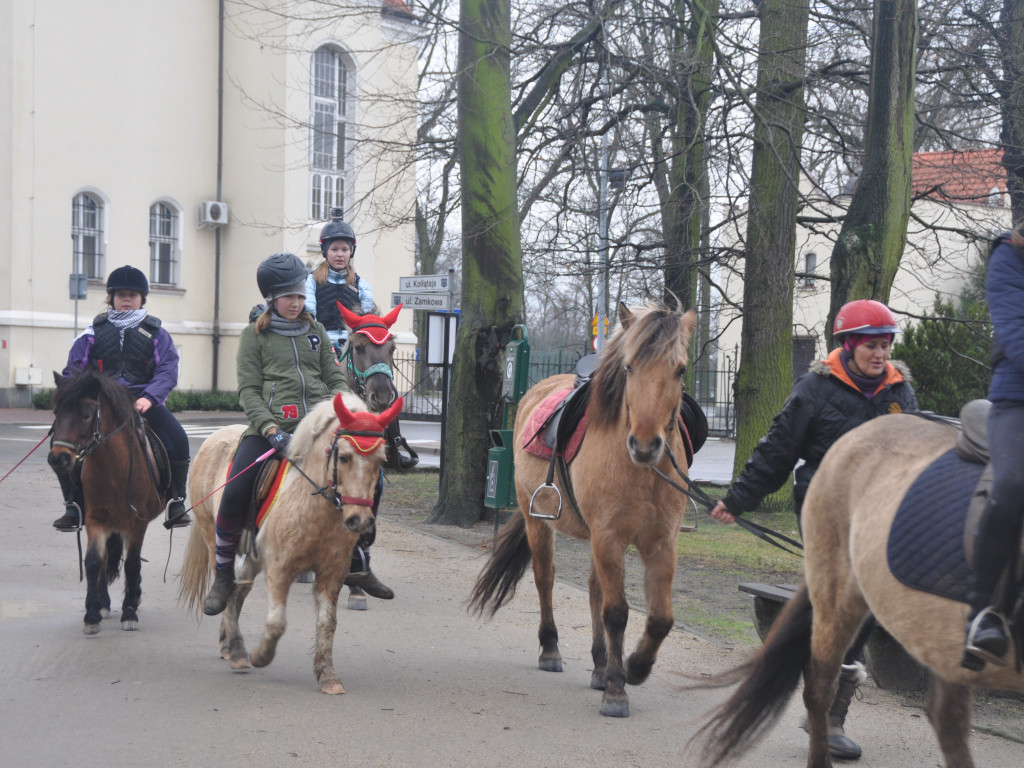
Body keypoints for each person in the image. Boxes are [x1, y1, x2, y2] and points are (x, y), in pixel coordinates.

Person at [710, 299, 919, 761]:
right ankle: (829, 713)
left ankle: (828, 710)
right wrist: (739, 499)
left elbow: (912, 454)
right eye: (870, 346)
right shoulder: (815, 389)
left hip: (879, 511)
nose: (880, 354)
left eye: (885, 345)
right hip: (824, 508)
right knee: (849, 598)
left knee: (863, 604)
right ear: (848, 345)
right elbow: (778, 450)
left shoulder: (899, 391)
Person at [202, 252, 393, 616]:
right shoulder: (253, 336)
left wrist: (347, 409)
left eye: (300, 296)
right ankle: (223, 573)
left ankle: (358, 559)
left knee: (373, 476)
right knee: (235, 489)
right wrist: (271, 430)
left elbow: (334, 376)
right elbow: (249, 392)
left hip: (319, 425)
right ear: (272, 299)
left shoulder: (316, 332)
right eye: (289, 297)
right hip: (270, 428)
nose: (296, 303)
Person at [54, 265, 191, 530]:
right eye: (121, 295)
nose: (127, 299)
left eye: (133, 295)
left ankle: (176, 498)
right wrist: (70, 392)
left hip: (144, 402)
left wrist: (150, 398)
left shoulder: (157, 334)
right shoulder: (92, 333)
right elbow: (75, 367)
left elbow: (167, 371)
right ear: (112, 298)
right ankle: (73, 504)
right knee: (59, 441)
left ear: (142, 299)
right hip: (101, 404)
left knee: (178, 438)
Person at [961, 229, 1024, 670]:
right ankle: (984, 612)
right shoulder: (1009, 256)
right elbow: (1016, 334)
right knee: (1013, 484)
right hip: (1017, 399)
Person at [304, 207, 376, 357]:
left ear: (351, 252)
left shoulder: (361, 285)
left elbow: (367, 319)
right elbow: (309, 315)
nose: (340, 254)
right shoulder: (311, 281)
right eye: (334, 249)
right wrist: (326, 344)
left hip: (352, 348)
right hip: (319, 346)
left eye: (344, 249)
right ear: (325, 251)